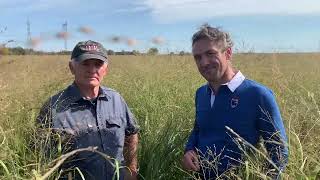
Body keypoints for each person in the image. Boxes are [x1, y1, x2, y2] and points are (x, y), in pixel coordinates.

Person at [182, 24, 288, 179]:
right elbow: (198, 129)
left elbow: (279, 150)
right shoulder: (201, 94)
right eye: (198, 57)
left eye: (211, 53)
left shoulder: (258, 94)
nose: (203, 63)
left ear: (228, 53)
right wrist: (189, 149)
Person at [37, 40, 139, 180]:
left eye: (98, 64)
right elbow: (39, 157)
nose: (92, 69)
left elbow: (131, 133)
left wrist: (132, 170)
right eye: (85, 63)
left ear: (106, 70)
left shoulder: (116, 99)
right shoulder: (54, 107)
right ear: (72, 67)